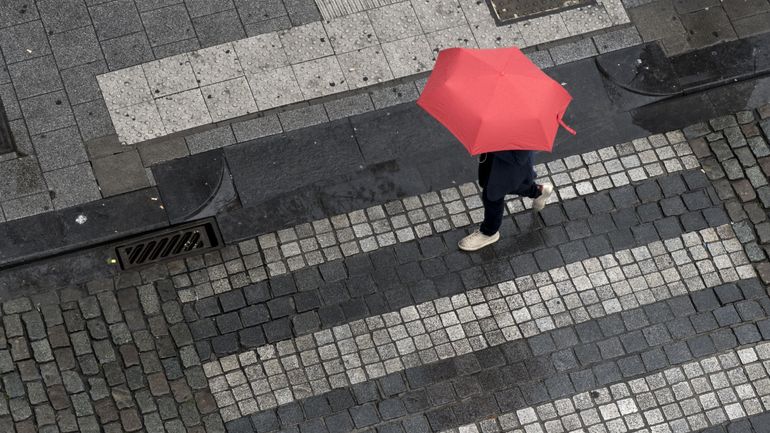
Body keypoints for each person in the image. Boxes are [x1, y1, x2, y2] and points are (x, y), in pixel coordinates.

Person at [458, 150, 553, 251]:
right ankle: (538, 191)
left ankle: (489, 232)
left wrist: (494, 147)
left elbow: (519, 158)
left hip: (508, 166)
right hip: (496, 160)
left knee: (492, 195)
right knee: (496, 184)